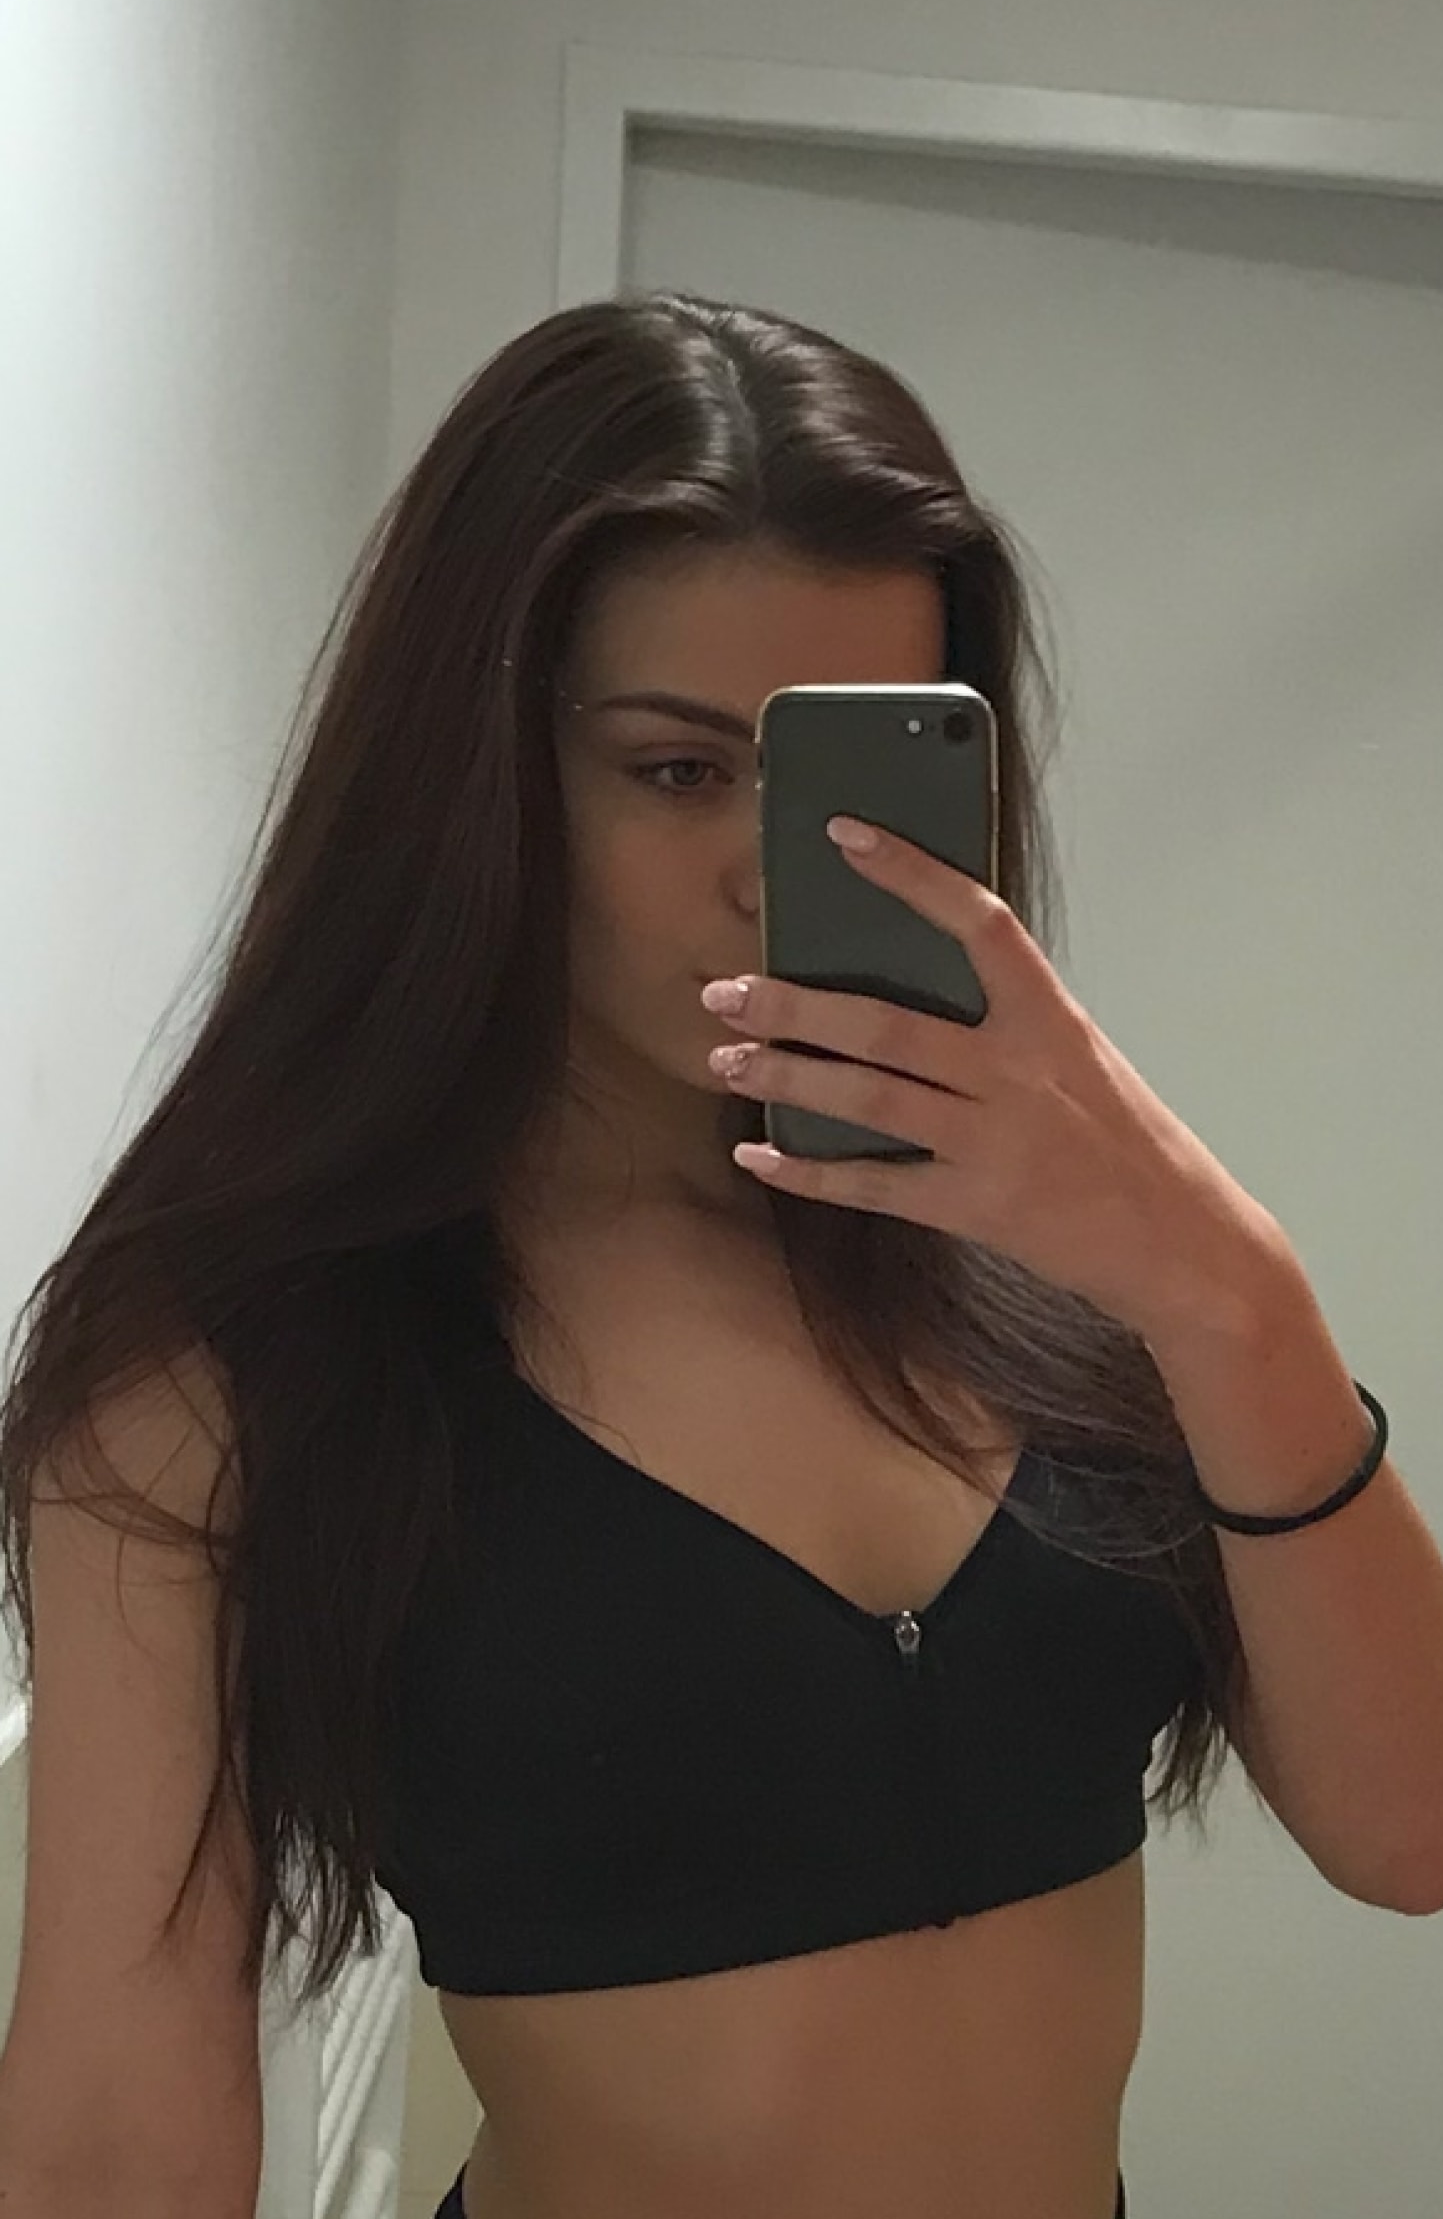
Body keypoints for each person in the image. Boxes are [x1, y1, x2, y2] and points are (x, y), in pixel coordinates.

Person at [3, 288, 1268, 2219]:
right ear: (477, 774)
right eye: (678, 770)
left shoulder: (1030, 1253)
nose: (771, 870)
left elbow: (1413, 1827)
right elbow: (115, 2119)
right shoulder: (232, 1359)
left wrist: (1221, 1269)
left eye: (840, 790)